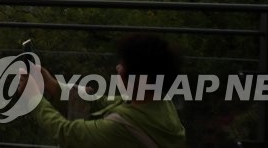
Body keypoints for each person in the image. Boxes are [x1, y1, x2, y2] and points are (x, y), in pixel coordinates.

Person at [21, 33, 187, 147]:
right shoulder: (160, 102)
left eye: (123, 66)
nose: (117, 68)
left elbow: (67, 134)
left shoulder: (121, 128)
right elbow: (101, 103)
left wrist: (35, 98)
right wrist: (52, 85)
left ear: (137, 79)